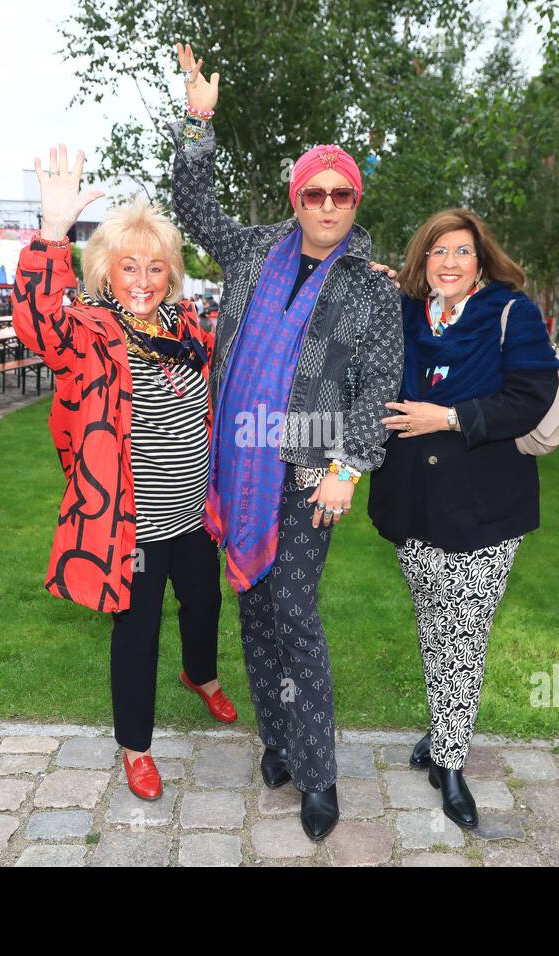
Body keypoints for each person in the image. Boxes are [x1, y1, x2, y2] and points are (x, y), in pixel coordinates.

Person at [170, 43, 403, 841]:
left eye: (343, 194)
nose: (330, 205)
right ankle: (275, 741)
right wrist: (199, 122)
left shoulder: (370, 286)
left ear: (354, 200)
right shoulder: (251, 253)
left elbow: (377, 387)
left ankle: (319, 774)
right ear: (296, 196)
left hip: (308, 474)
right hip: (234, 465)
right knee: (255, 611)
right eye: (316, 192)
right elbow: (194, 208)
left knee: (296, 613)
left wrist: (348, 466)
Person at [10, 144, 237, 802]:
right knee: (136, 634)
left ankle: (201, 675)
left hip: (194, 514)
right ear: (105, 271)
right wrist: (51, 232)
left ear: (171, 273)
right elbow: (37, 324)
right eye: (127, 265)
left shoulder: (189, 324)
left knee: (204, 602)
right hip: (131, 527)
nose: (142, 277)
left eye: (155, 266)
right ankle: (136, 747)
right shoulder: (89, 327)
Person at [368, 209, 559, 829]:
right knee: (434, 621)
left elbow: (532, 397)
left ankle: (449, 760)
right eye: (436, 252)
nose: (449, 262)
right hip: (411, 501)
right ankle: (442, 726)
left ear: (481, 260)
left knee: (464, 631)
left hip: (485, 506)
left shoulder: (510, 312)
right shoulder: (403, 312)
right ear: (421, 260)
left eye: (462, 252)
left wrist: (447, 419)